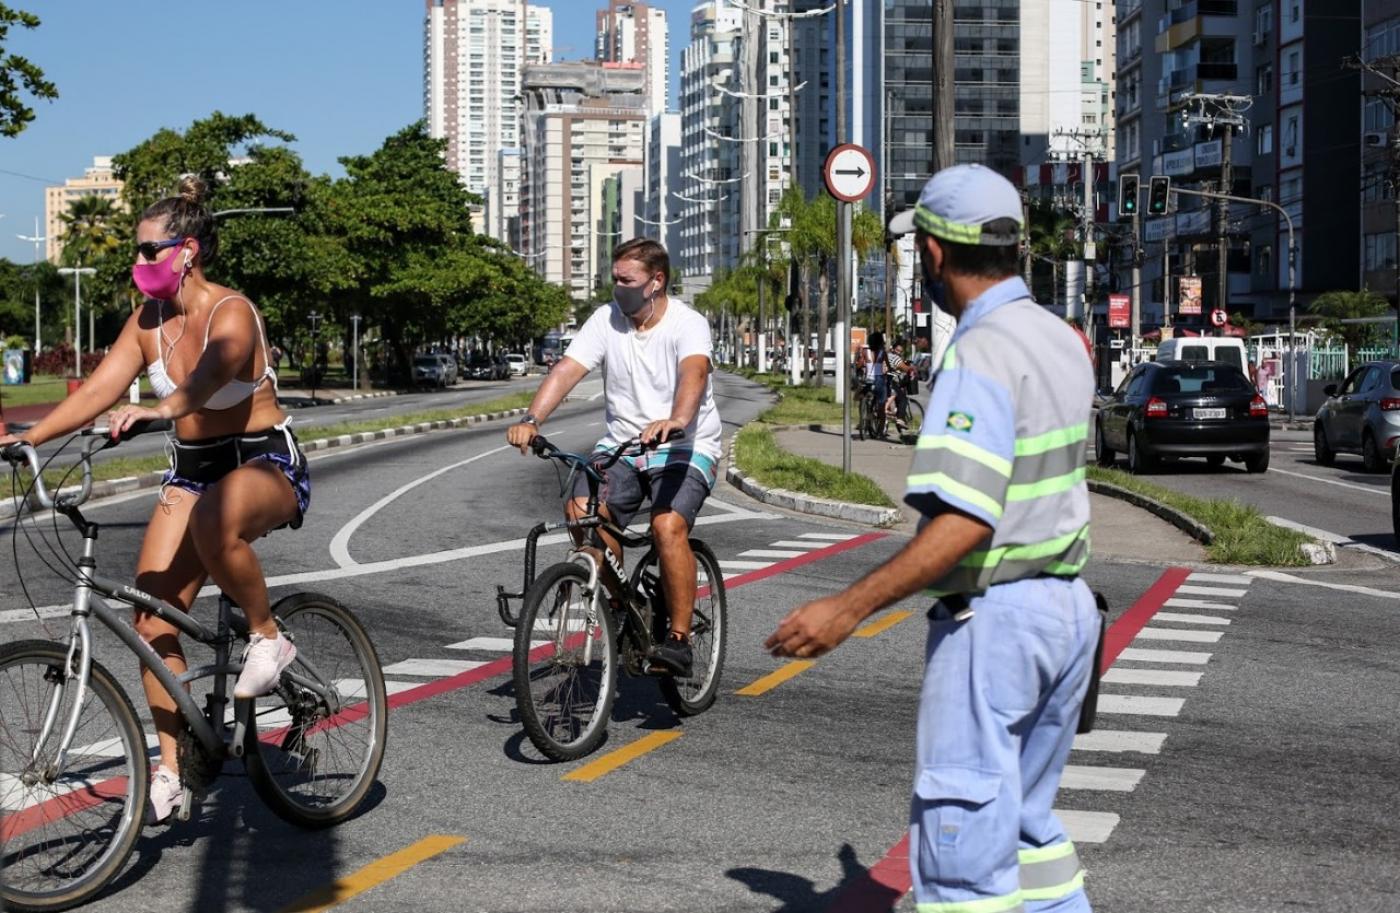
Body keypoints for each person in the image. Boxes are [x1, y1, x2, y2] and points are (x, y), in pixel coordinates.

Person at [765, 164, 1098, 913]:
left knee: (964, 855)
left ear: (937, 254)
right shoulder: (1062, 338)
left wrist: (847, 608)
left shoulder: (979, 353)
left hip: (996, 622)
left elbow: (965, 521)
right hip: (1069, 612)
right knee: (1028, 831)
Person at [0, 176, 310, 824]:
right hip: (195, 470)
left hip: (261, 461)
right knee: (151, 623)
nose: (137, 265)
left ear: (186, 250)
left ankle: (267, 636)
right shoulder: (147, 322)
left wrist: (155, 410)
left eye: (147, 252)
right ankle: (171, 770)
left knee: (213, 517)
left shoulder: (232, 312)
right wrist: (27, 435)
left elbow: (207, 378)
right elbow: (94, 391)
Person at [506, 238, 722, 677]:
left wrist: (677, 419)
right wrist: (532, 419)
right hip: (622, 446)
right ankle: (626, 602)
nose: (617, 287)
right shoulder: (606, 320)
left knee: (667, 526)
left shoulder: (688, 323)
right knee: (579, 512)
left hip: (682, 446)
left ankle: (678, 639)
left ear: (656, 282)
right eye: (614, 278)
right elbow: (567, 369)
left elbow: (693, 373)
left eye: (627, 280)